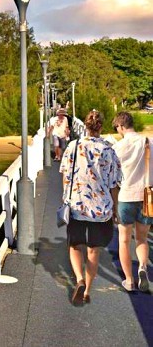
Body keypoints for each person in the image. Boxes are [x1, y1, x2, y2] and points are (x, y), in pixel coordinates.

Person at [60, 110, 121, 305]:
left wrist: (65, 198)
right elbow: (114, 183)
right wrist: (116, 209)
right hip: (101, 209)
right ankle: (87, 290)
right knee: (94, 251)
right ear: (101, 127)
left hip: (77, 206)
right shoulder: (109, 150)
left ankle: (78, 278)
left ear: (85, 126)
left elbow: (65, 175)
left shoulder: (73, 146)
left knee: (75, 245)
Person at [111, 111, 152, 292]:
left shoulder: (119, 147)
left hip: (126, 196)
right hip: (147, 197)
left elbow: (112, 173)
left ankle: (129, 281)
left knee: (124, 241)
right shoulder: (149, 142)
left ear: (120, 126)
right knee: (142, 239)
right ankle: (143, 267)